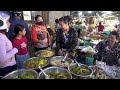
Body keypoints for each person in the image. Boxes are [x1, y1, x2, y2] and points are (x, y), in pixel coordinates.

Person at [0, 11, 18, 77]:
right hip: (6, 67)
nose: (9, 23)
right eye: (7, 21)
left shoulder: (2, 35)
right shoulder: (1, 38)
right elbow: (2, 59)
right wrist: (15, 49)